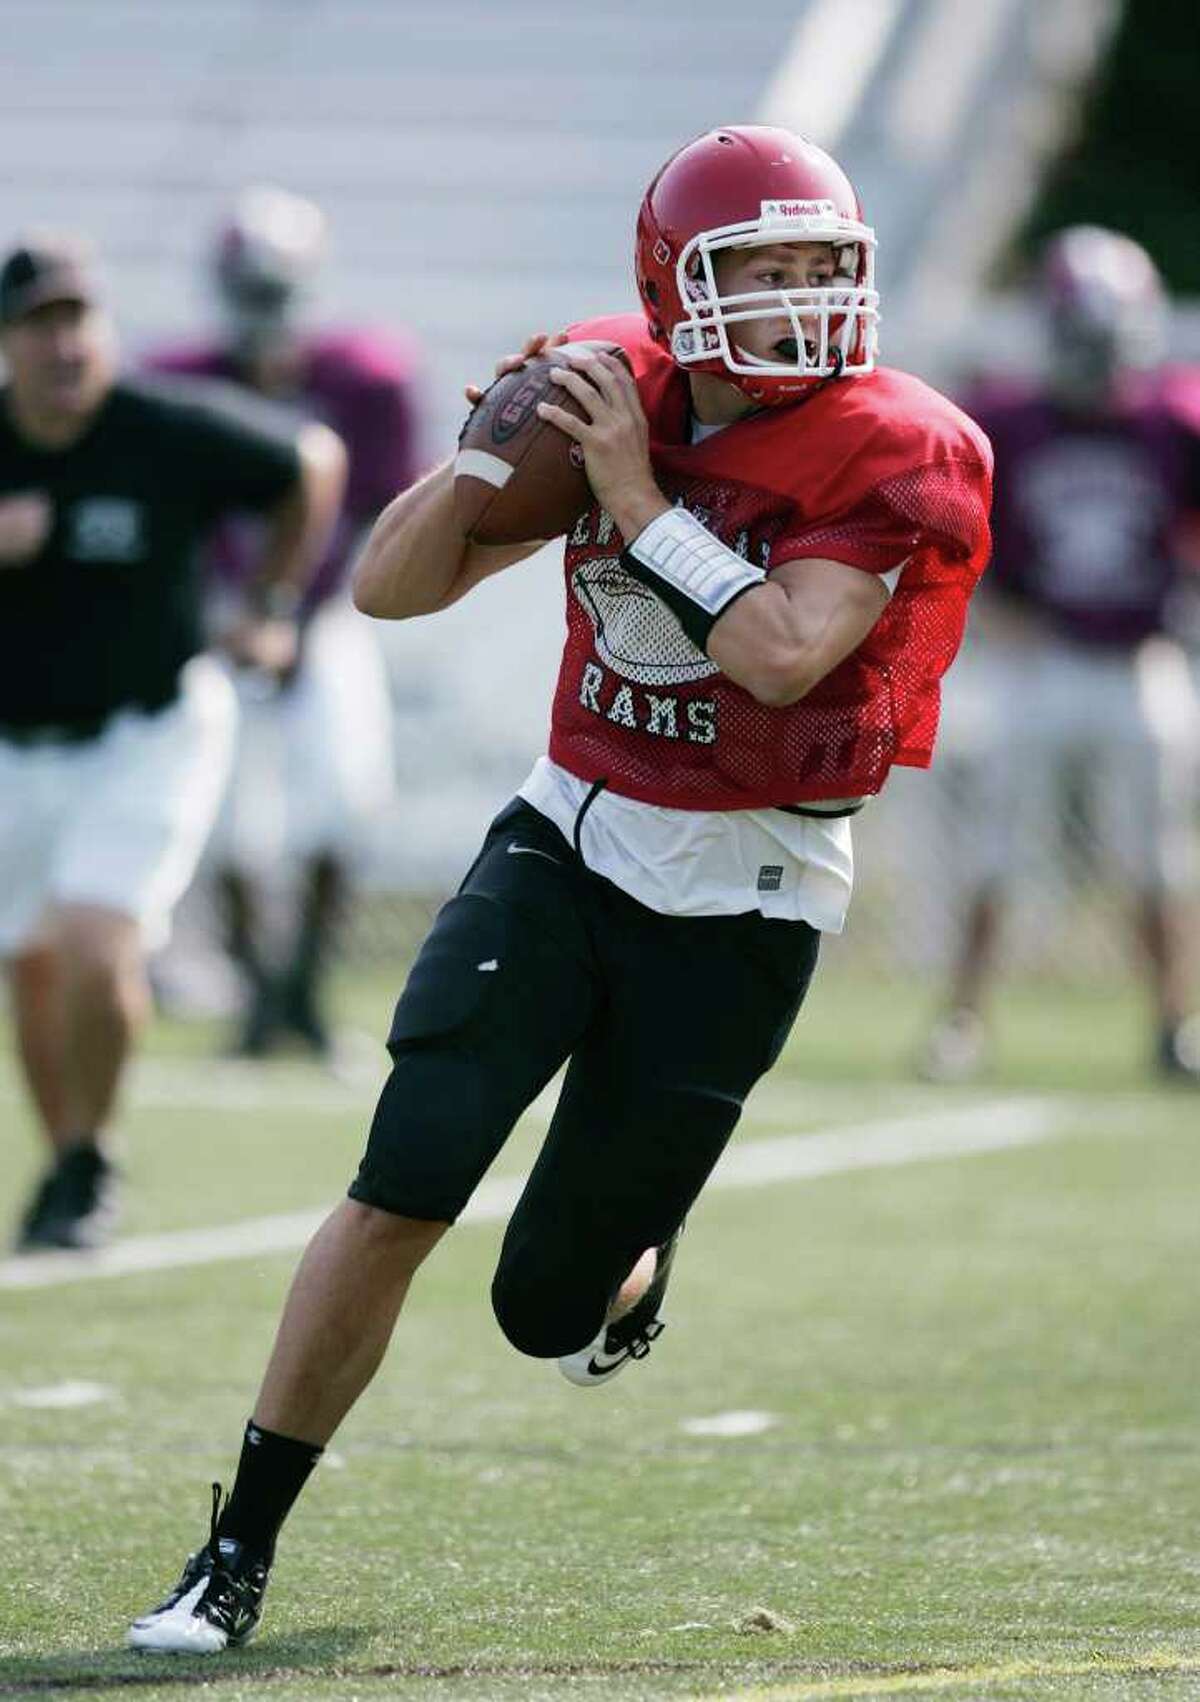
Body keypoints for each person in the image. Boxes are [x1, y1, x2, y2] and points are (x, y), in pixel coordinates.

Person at [127, 125, 992, 1654]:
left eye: (820, 267)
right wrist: (484, 453)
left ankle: (627, 1261)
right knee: (411, 1170)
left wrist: (631, 491)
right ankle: (235, 1547)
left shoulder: (895, 441)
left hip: (752, 885)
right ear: (676, 285)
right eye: (763, 270)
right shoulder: (613, 379)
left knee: (546, 1303)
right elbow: (392, 589)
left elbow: (783, 651)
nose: (802, 299)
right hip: (572, 831)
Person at [1, 235, 347, 1253]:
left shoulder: (158, 426)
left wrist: (273, 602)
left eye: (79, 318)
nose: (65, 343)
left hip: (146, 728)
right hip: (16, 744)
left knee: (97, 940)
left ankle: (90, 1153)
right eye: (39, 323)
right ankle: (70, 1158)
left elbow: (311, 462)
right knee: (29, 966)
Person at [920, 226, 1200, 1084]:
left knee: (1156, 858)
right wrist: (993, 611)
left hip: (1139, 662)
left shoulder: (1175, 422)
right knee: (997, 852)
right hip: (1035, 662)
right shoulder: (1008, 420)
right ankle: (963, 1019)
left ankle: (1174, 1024)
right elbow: (957, 535)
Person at [150, 186, 423, 1058]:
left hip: (328, 611)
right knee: (226, 819)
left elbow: (385, 514)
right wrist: (231, 617)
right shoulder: (182, 387)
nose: (264, 312)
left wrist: (299, 618)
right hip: (222, 624)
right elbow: (174, 526)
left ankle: (304, 988)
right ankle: (261, 998)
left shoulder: (363, 381)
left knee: (347, 805)